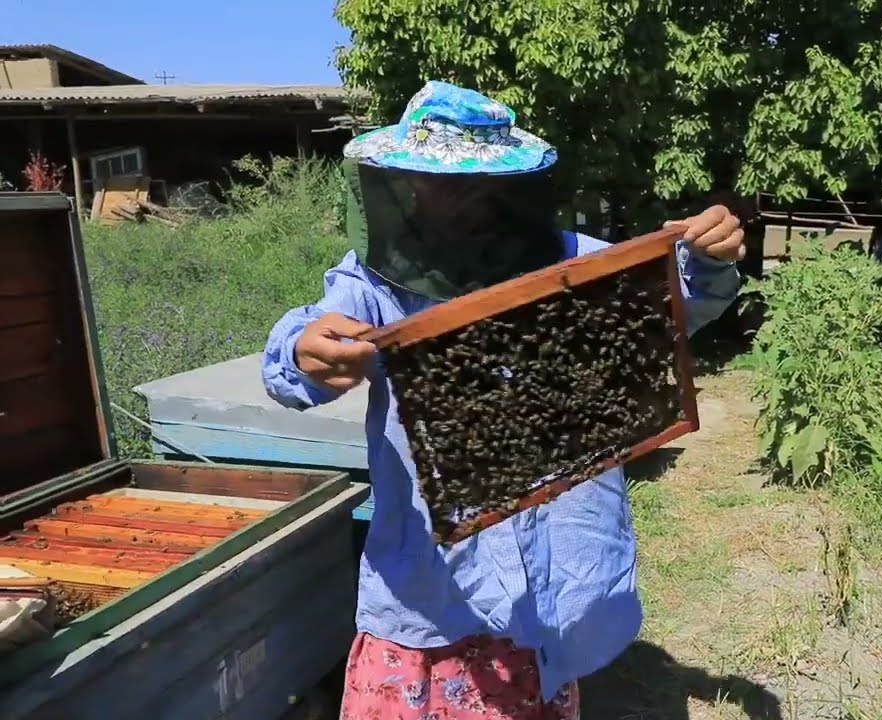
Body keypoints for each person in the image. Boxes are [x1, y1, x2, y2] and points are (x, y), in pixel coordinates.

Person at [262, 81, 743, 719]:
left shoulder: (573, 260)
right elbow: (301, 347)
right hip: (428, 595)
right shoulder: (373, 282)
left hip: (546, 593)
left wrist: (709, 257)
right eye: (444, 180)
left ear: (515, 183)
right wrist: (303, 351)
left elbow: (677, 299)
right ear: (404, 182)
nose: (465, 197)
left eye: (483, 181)